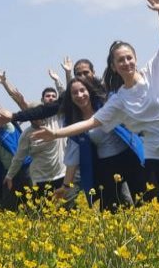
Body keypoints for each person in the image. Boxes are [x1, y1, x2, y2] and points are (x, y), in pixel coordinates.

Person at [34, 0, 159, 203]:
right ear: (114, 66)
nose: (126, 63)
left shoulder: (155, 69)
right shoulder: (119, 100)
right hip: (155, 156)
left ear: (136, 58)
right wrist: (57, 134)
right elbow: (91, 122)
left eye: (129, 58)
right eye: (120, 60)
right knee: (151, 208)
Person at [52, 76, 146, 211]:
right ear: (70, 98)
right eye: (75, 93)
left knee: (143, 202)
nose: (80, 95)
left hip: (129, 157)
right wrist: (66, 186)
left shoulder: (106, 104)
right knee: (110, 209)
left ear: (89, 90)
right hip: (107, 165)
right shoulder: (74, 123)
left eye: (82, 90)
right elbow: (72, 158)